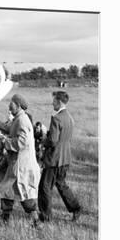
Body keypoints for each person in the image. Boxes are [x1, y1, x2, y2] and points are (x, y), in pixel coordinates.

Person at [0, 93, 40, 224]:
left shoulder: (22, 120)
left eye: (12, 104)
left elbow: (22, 142)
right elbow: (7, 128)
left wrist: (6, 142)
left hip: (21, 165)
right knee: (7, 189)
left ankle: (35, 221)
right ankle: (4, 218)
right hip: (15, 163)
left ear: (19, 105)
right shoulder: (18, 118)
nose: (10, 107)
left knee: (24, 193)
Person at [38, 90, 81, 222]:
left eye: (54, 101)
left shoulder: (56, 118)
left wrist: (43, 138)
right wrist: (49, 133)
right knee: (61, 184)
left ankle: (45, 217)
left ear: (60, 102)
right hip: (66, 158)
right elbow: (61, 137)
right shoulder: (69, 117)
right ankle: (76, 208)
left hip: (54, 159)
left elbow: (53, 141)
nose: (52, 103)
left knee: (44, 187)